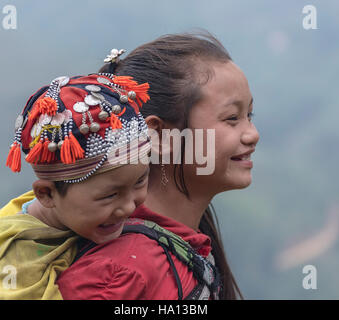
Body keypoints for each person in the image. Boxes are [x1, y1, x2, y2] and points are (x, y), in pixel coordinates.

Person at [56, 31, 259, 300]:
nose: (252, 134)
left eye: (249, 115)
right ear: (159, 135)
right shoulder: (123, 271)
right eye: (232, 118)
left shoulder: (182, 245)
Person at [0, 72, 152, 299]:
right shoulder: (19, 263)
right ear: (46, 194)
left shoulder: (65, 210)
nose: (129, 207)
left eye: (140, 181)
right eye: (110, 195)